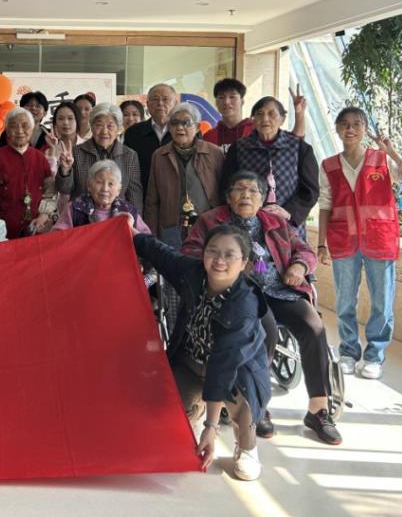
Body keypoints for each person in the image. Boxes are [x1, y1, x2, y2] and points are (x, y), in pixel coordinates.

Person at [182, 170, 341, 445]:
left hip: (280, 290)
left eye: (253, 190)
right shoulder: (211, 221)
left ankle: (318, 409)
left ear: (262, 198)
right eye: (239, 189)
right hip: (238, 296)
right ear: (228, 197)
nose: (246, 195)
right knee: (264, 330)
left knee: (313, 326)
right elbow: (190, 251)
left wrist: (299, 265)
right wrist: (223, 270)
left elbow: (303, 249)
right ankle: (257, 404)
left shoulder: (275, 222)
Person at [135, 224, 270, 481]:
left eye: (229, 255)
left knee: (242, 406)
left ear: (244, 263)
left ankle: (247, 446)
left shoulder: (243, 306)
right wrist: (130, 231)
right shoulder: (194, 272)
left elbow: (222, 369)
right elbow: (161, 253)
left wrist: (211, 427)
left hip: (236, 372)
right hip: (190, 360)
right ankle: (194, 412)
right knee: (162, 409)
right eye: (213, 251)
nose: (219, 260)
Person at [318, 107, 402, 380]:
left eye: (356, 124)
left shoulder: (381, 160)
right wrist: (320, 245)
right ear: (337, 129)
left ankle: (374, 356)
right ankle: (349, 352)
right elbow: (325, 205)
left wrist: (392, 152)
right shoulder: (328, 165)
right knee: (344, 301)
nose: (350, 129)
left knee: (381, 302)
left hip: (379, 239)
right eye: (344, 124)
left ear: (365, 129)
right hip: (343, 239)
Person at [222, 96, 319, 232]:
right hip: (247, 223)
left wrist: (289, 212)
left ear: (282, 119)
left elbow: (310, 190)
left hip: (287, 224)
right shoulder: (239, 148)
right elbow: (227, 185)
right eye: (259, 114)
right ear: (253, 120)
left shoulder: (300, 148)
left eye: (272, 114)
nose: (265, 119)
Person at [143, 102, 224, 247]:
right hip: (171, 226)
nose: (180, 128)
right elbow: (152, 200)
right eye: (174, 123)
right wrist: (151, 236)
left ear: (197, 127)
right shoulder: (159, 155)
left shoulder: (214, 153)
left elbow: (223, 193)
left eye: (186, 123)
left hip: (207, 225)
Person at [55, 102, 143, 209]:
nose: (104, 131)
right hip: (81, 215)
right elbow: (64, 189)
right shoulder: (77, 152)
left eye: (110, 126)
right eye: (99, 125)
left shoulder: (130, 155)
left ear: (118, 129)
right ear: (91, 126)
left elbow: (135, 195)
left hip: (117, 216)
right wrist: (65, 170)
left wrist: (135, 218)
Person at [0, 108, 51, 238]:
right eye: (14, 126)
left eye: (25, 126)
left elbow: (50, 193)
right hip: (0, 231)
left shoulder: (41, 158)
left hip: (35, 229)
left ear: (32, 129)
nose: (20, 131)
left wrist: (44, 215)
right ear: (7, 131)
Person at [205, 78, 307, 150]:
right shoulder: (209, 137)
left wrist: (299, 114)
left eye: (232, 97)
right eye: (221, 97)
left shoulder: (257, 128)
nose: (227, 102)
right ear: (216, 103)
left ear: (242, 101)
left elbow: (294, 142)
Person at [52, 160, 150, 232]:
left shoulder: (128, 211)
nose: (105, 189)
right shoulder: (75, 208)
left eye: (111, 184)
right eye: (99, 182)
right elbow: (58, 236)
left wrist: (130, 230)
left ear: (118, 189)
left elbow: (145, 238)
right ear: (89, 185)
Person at [124, 83, 177, 198]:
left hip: (177, 197)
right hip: (143, 196)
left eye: (165, 99)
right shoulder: (133, 133)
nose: (160, 103)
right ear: (147, 104)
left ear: (175, 104)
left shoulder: (185, 132)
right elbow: (128, 171)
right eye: (155, 99)